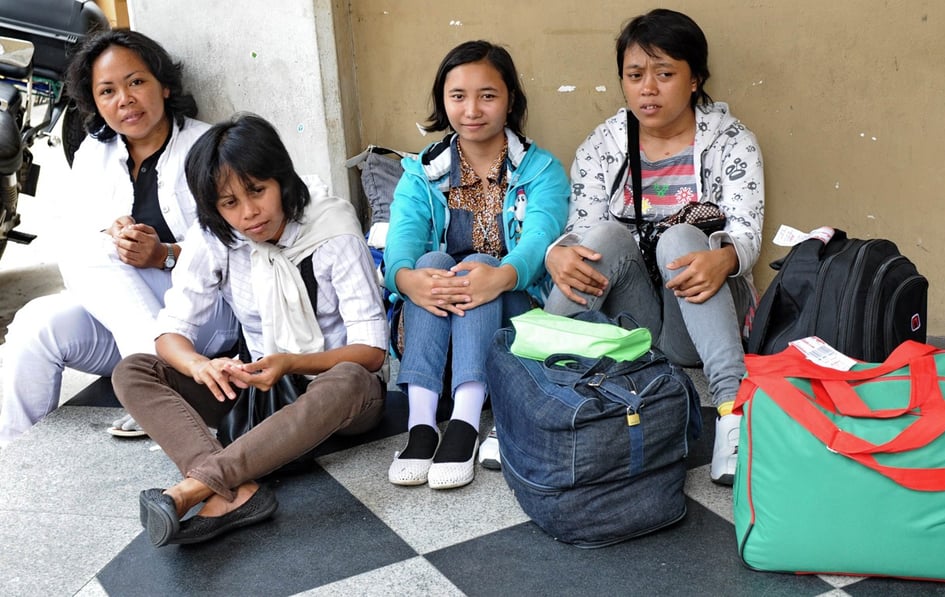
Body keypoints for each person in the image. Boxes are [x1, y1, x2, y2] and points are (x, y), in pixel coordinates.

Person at [111, 113, 388, 547]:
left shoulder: (333, 231)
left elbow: (371, 351)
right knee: (133, 370)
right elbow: (169, 334)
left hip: (336, 397)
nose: (249, 212)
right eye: (229, 203)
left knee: (351, 378)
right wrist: (202, 366)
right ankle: (235, 491)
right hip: (260, 395)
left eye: (257, 191)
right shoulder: (215, 238)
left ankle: (196, 486)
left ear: (281, 179)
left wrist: (292, 363)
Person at [544, 9, 764, 486]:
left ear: (694, 80)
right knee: (595, 241)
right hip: (636, 321)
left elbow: (747, 233)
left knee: (682, 237)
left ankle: (732, 414)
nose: (648, 88)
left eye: (665, 74)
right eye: (635, 75)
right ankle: (536, 386)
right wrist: (557, 252)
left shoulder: (731, 142)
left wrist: (723, 256)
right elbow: (582, 229)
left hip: (698, 315)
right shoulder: (604, 145)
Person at [0, 30, 236, 448]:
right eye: (107, 91)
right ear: (94, 103)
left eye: (136, 82)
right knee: (35, 323)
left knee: (97, 254)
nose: (124, 99)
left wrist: (166, 255)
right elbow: (78, 246)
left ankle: (157, 383)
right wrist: (113, 235)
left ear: (164, 85)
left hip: (206, 318)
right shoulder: (95, 153)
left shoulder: (208, 146)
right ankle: (13, 453)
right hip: (132, 326)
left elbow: (238, 243)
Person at [383, 40, 570, 489]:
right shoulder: (422, 172)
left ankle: (464, 423)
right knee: (429, 260)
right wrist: (409, 281)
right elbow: (401, 242)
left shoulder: (541, 170)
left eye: (487, 95)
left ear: (510, 102)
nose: (472, 109)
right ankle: (422, 425)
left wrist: (500, 276)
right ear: (442, 101)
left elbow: (539, 240)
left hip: (513, 319)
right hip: (435, 327)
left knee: (480, 263)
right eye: (458, 96)